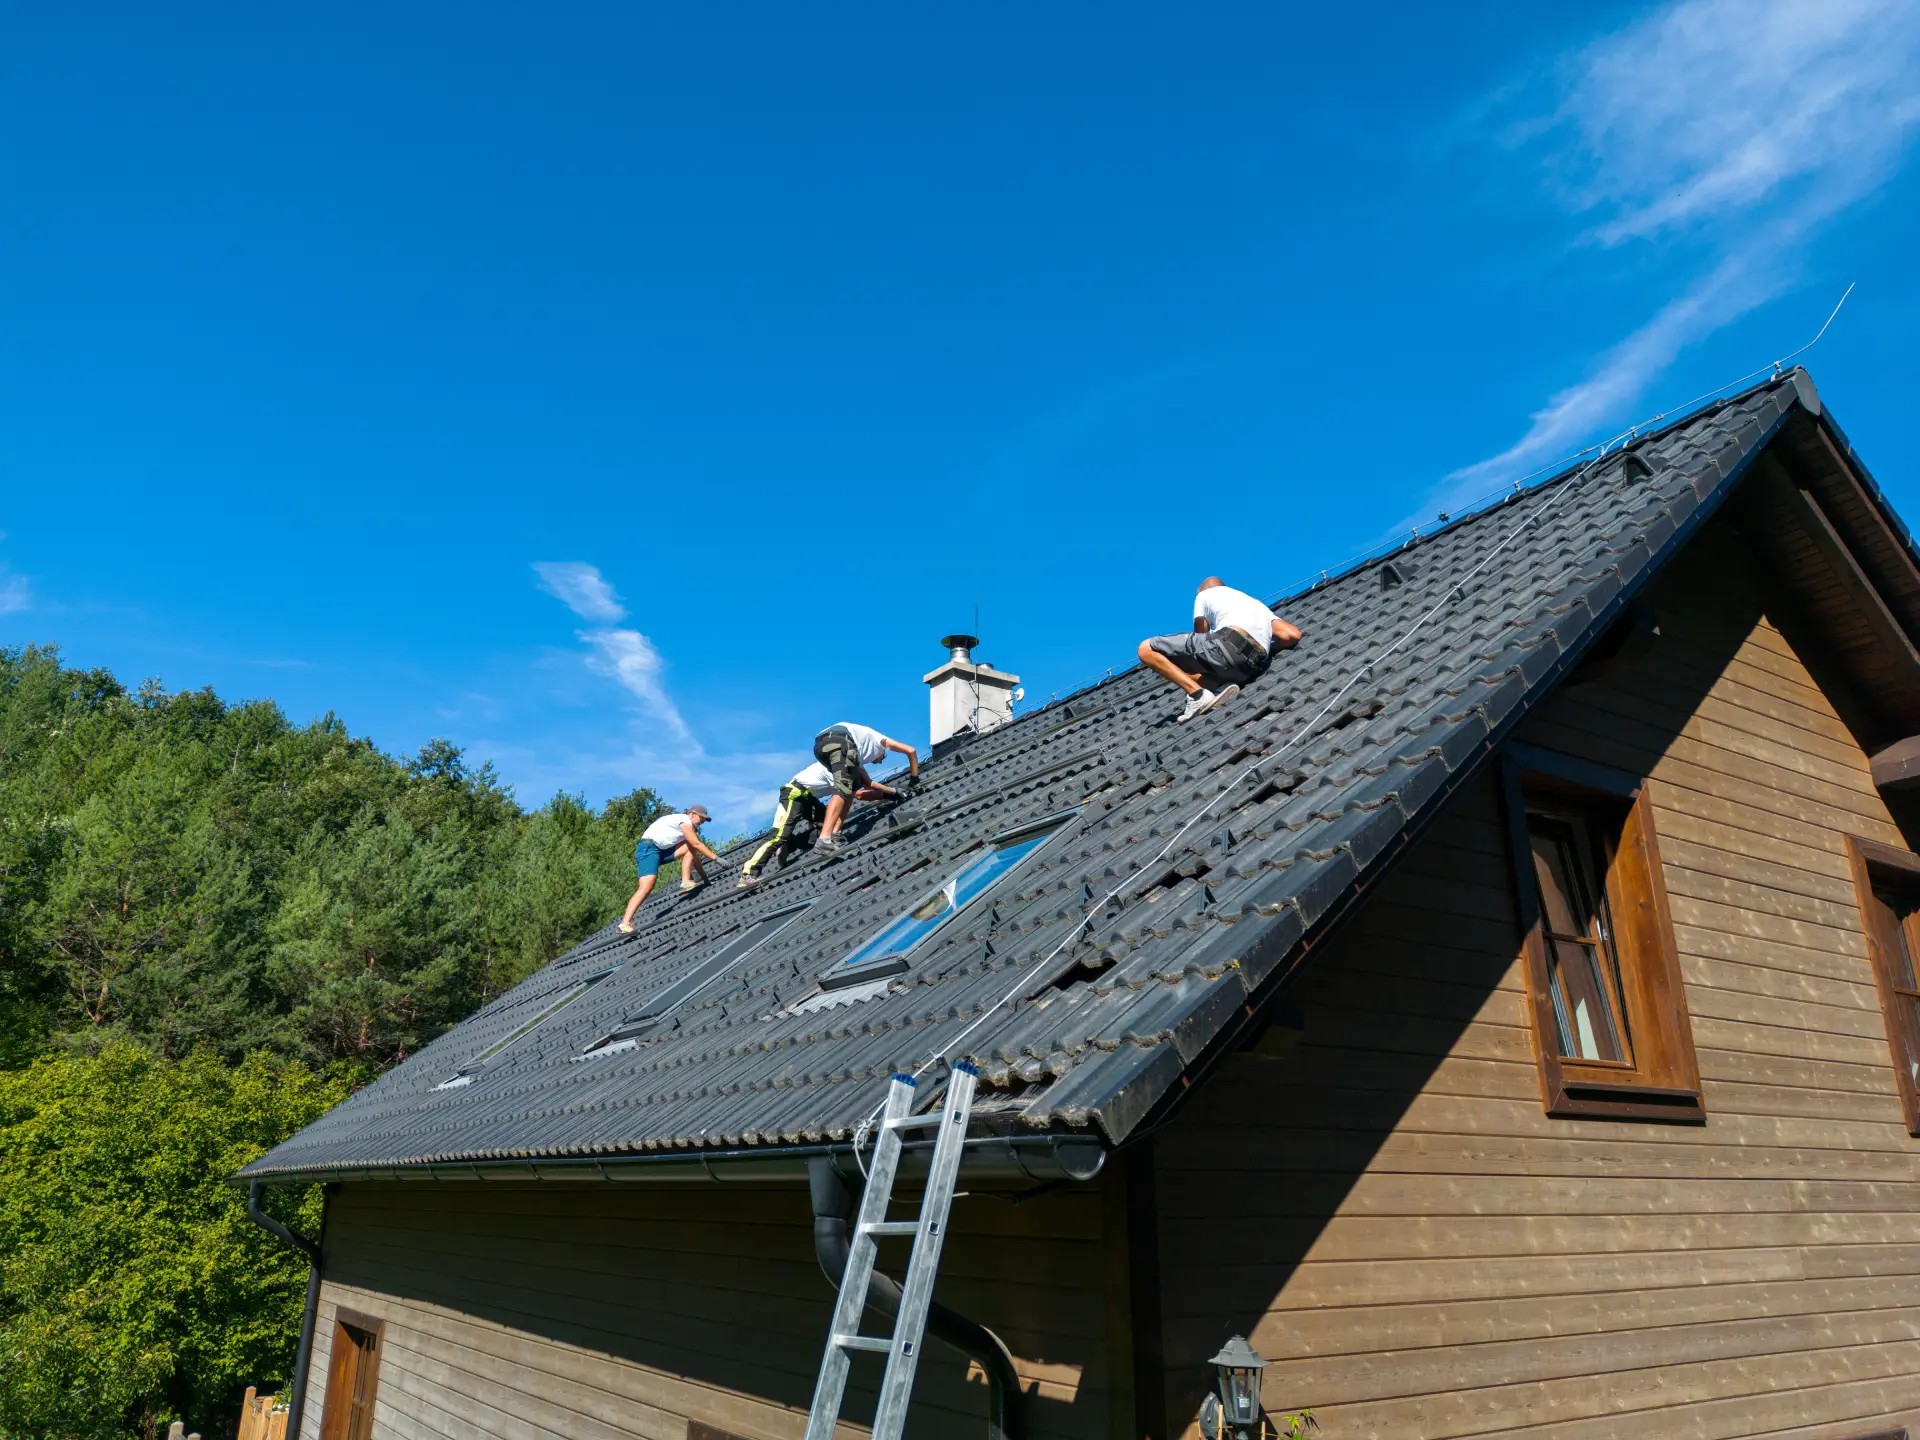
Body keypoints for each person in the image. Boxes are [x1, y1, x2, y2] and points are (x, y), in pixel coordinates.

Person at [1138, 576, 1302, 723]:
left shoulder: (1205, 594)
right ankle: (1219, 686)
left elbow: (1200, 635)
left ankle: (1198, 696)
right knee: (1202, 676)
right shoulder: (1254, 603)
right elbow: (1291, 635)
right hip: (1253, 665)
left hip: (1226, 645)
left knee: (1145, 649)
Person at [738, 760, 905, 886]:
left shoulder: (848, 767)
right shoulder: (841, 768)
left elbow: (860, 791)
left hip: (808, 797)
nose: (881, 759)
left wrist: (887, 794)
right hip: (794, 794)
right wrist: (888, 793)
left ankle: (791, 845)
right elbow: (859, 794)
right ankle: (748, 874)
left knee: (827, 825)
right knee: (779, 835)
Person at [812, 721, 918, 851]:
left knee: (852, 787)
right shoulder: (881, 741)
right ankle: (824, 838)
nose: (879, 762)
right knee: (842, 788)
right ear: (882, 752)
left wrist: (892, 791)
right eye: (882, 759)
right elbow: (911, 751)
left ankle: (836, 832)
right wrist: (914, 778)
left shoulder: (858, 753)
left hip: (820, 747)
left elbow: (867, 783)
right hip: (838, 741)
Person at [617, 805, 718, 933]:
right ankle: (624, 924)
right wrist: (716, 858)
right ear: (692, 814)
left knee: (689, 846)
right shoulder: (684, 821)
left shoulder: (685, 826)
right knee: (646, 887)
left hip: (659, 850)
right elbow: (697, 844)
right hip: (648, 849)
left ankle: (685, 881)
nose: (701, 823)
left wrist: (705, 879)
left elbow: (694, 857)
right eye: (701, 819)